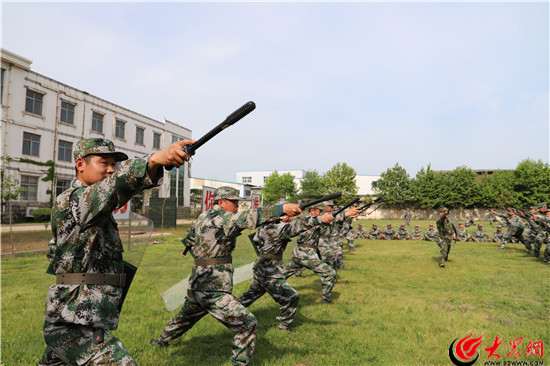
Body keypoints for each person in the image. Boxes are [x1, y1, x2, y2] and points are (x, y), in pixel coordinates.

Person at [38, 137, 195, 366]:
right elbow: (116, 187)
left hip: (85, 316)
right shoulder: (73, 201)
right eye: (104, 162)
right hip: (72, 324)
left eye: (114, 164)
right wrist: (154, 160)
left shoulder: (95, 210)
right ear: (80, 164)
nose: (111, 169)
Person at [150, 186, 301, 366]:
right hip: (213, 287)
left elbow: (189, 241)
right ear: (220, 202)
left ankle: (160, 341)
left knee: (185, 318)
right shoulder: (223, 218)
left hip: (197, 281)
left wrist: (204, 259)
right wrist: (280, 209)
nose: (237, 206)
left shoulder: (203, 217)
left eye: (238, 202)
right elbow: (249, 218)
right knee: (248, 323)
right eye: (233, 202)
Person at [238, 210, 334, 332]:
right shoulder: (278, 230)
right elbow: (299, 225)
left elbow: (256, 242)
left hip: (261, 266)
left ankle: (229, 313)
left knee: (250, 296)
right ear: (280, 217)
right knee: (291, 297)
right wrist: (321, 219)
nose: (290, 219)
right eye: (288, 216)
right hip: (270, 270)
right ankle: (284, 327)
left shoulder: (264, 228)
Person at [284, 204, 359, 303]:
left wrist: (347, 215)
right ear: (312, 211)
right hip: (307, 254)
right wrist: (346, 213)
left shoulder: (308, 220)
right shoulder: (310, 219)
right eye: (319, 211)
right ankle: (325, 299)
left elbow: (332, 219)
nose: (321, 213)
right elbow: (331, 217)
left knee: (281, 275)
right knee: (330, 273)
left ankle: (266, 286)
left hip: (298, 253)